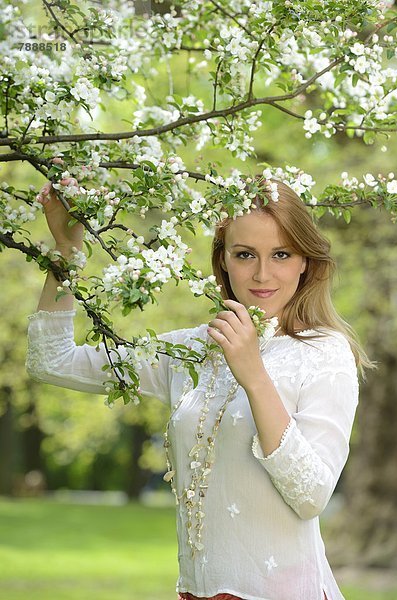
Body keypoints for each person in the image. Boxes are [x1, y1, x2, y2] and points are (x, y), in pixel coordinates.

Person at [27, 175, 372, 600]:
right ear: (223, 260)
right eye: (245, 254)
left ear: (305, 262)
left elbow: (311, 496)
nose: (263, 274)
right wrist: (66, 250)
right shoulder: (193, 350)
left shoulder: (324, 353)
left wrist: (254, 375)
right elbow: (51, 361)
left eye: (281, 254)